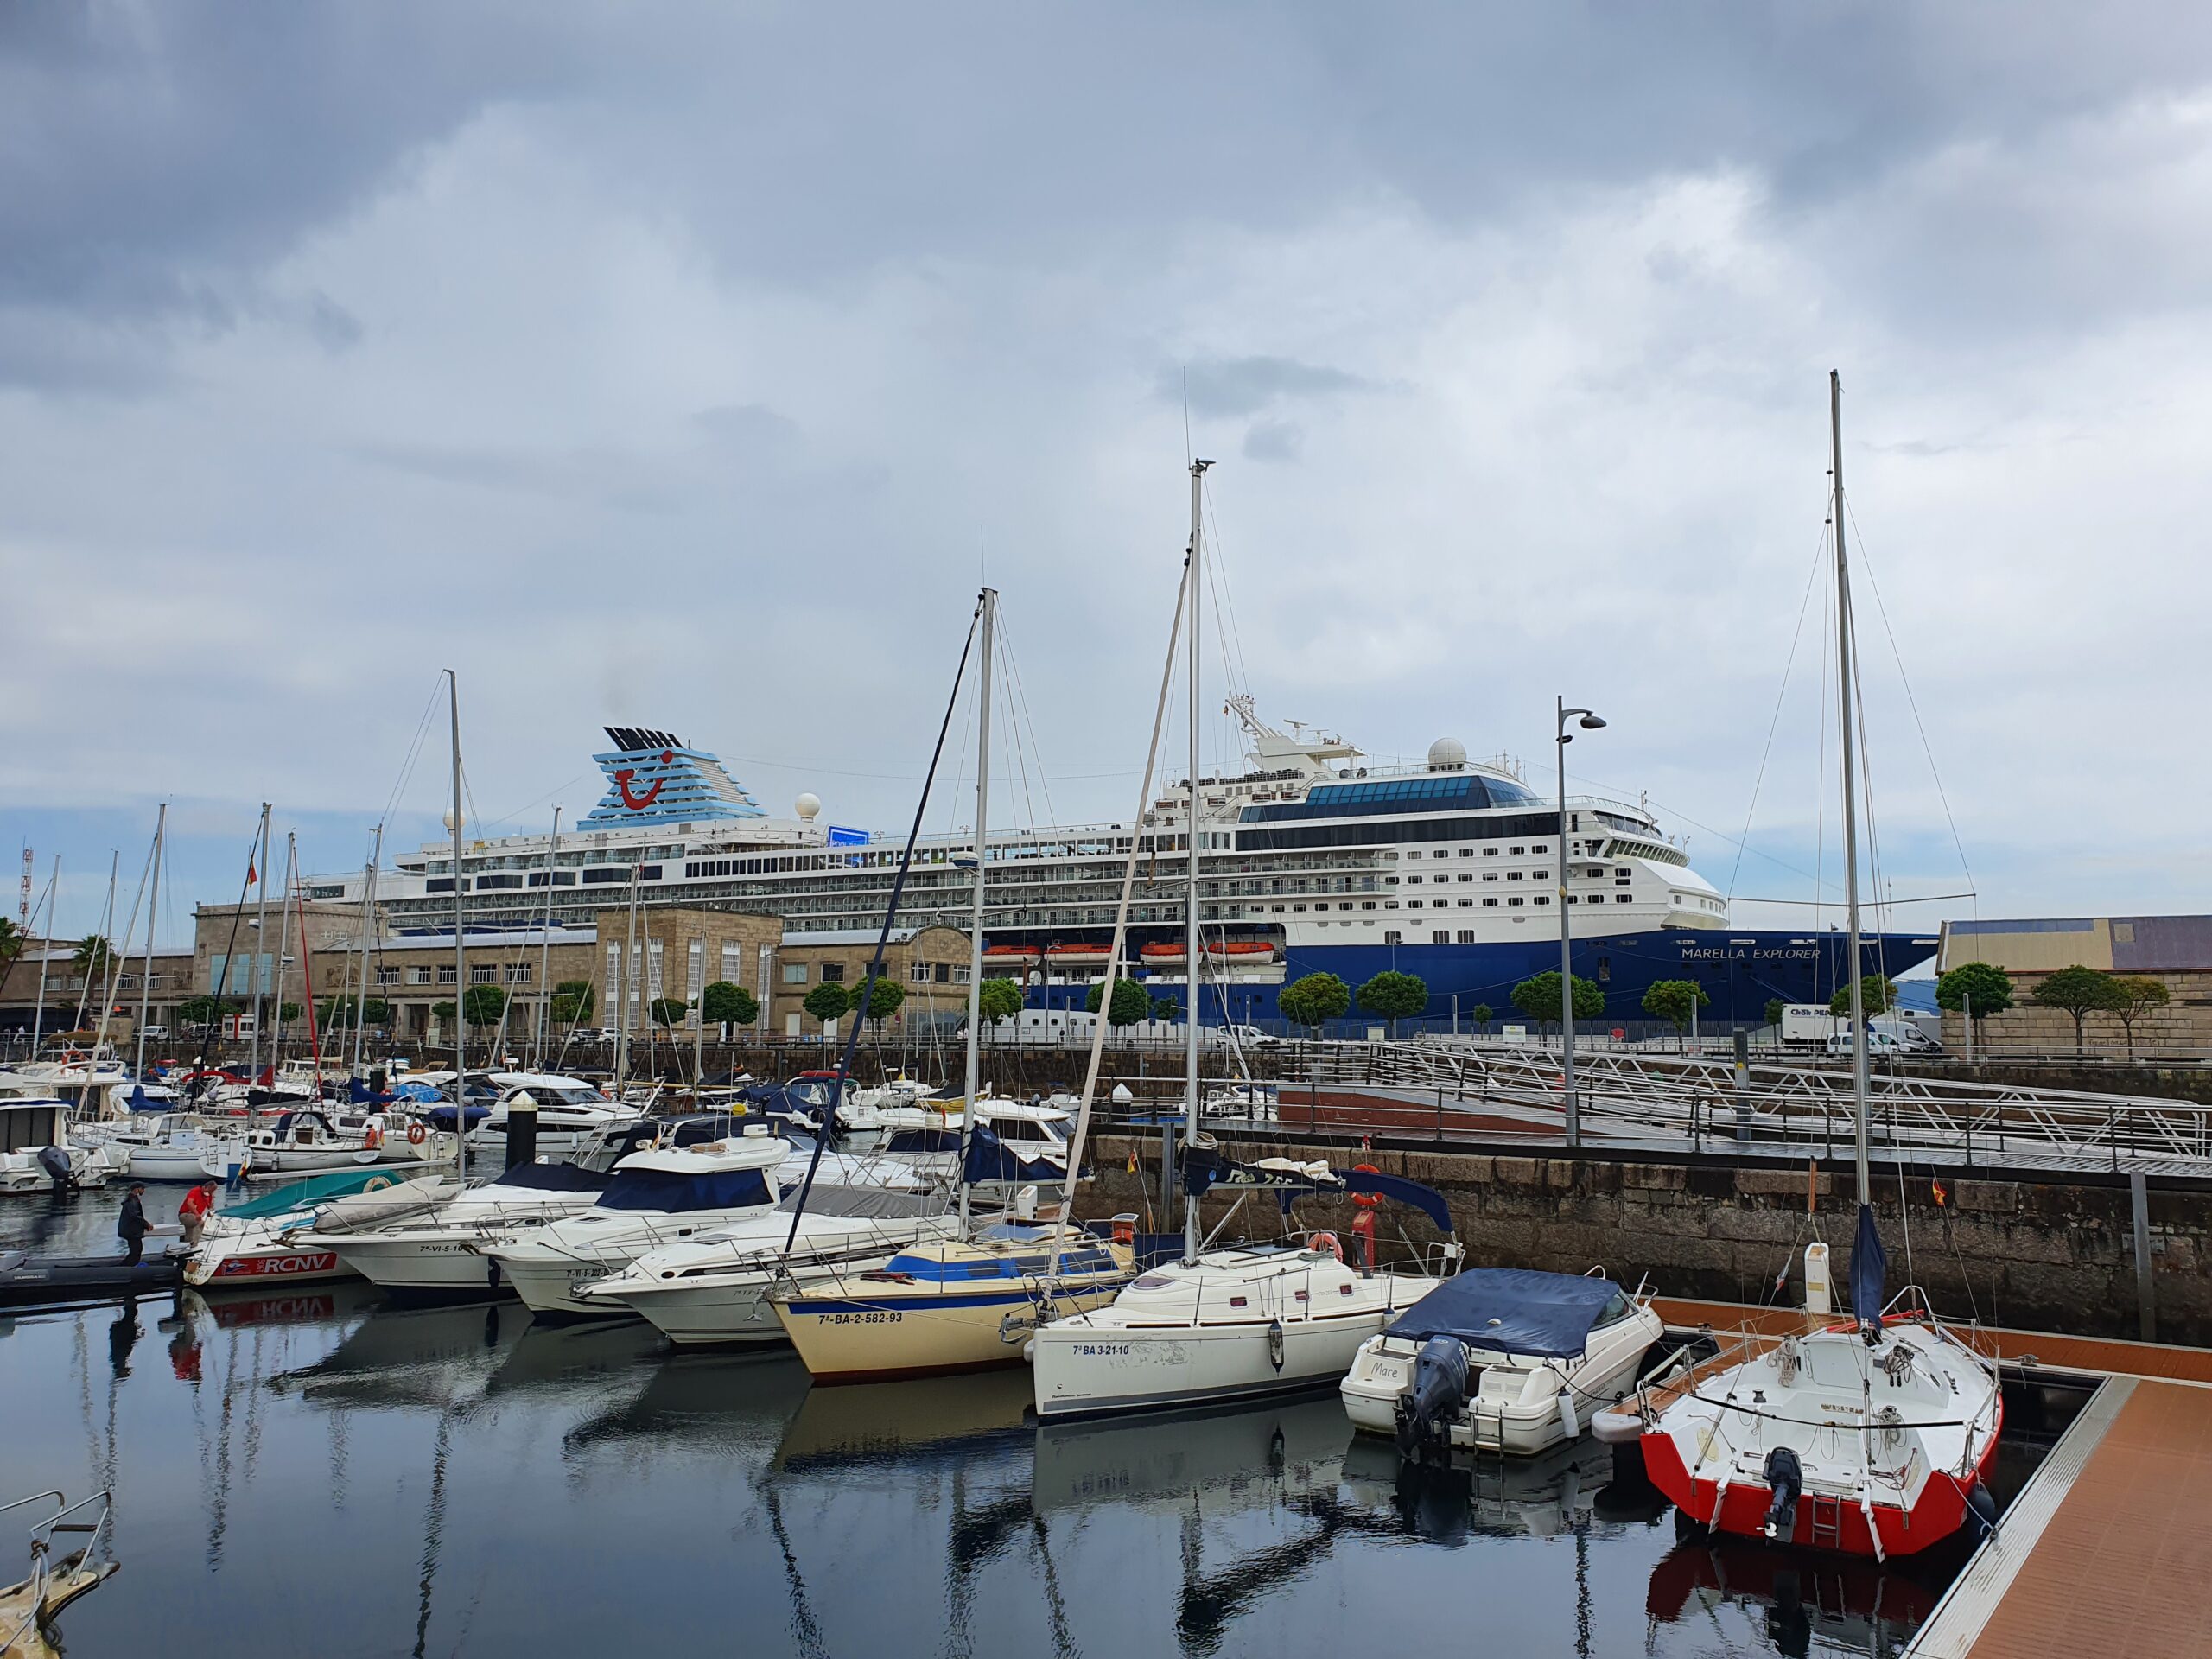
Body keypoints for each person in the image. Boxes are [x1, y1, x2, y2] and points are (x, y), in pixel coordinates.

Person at [118, 1182, 149, 1267]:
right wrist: (146, 1224)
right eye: (142, 1189)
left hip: (130, 1230)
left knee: (136, 1250)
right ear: (137, 1189)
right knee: (136, 1250)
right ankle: (127, 1266)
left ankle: (128, 1265)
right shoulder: (132, 1201)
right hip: (131, 1231)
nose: (143, 1191)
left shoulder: (131, 1199)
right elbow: (135, 1216)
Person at [178, 1181, 214, 1247]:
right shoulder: (195, 1191)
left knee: (191, 1229)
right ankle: (194, 1244)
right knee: (199, 1222)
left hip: (194, 1216)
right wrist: (197, 1214)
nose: (212, 1192)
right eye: (211, 1190)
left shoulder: (209, 1195)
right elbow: (189, 1203)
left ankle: (187, 1243)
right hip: (185, 1214)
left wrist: (210, 1210)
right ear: (208, 1187)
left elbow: (210, 1207)